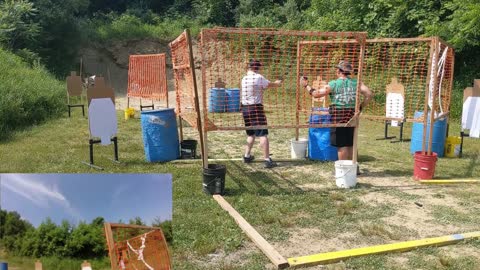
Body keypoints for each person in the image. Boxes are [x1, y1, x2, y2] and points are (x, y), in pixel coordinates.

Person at [301, 60, 372, 161]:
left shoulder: (334, 84)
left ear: (339, 71)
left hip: (339, 115)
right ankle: (353, 167)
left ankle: (343, 170)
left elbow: (316, 94)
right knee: (351, 143)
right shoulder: (357, 83)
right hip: (352, 114)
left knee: (341, 145)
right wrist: (360, 107)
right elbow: (369, 94)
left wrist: (306, 85)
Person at [241, 59, 282, 168]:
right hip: (256, 108)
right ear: (257, 68)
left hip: (245, 109)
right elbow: (270, 85)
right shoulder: (258, 78)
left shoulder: (244, 78)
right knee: (262, 134)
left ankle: (247, 156)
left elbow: (258, 88)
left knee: (251, 133)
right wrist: (278, 83)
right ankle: (267, 160)